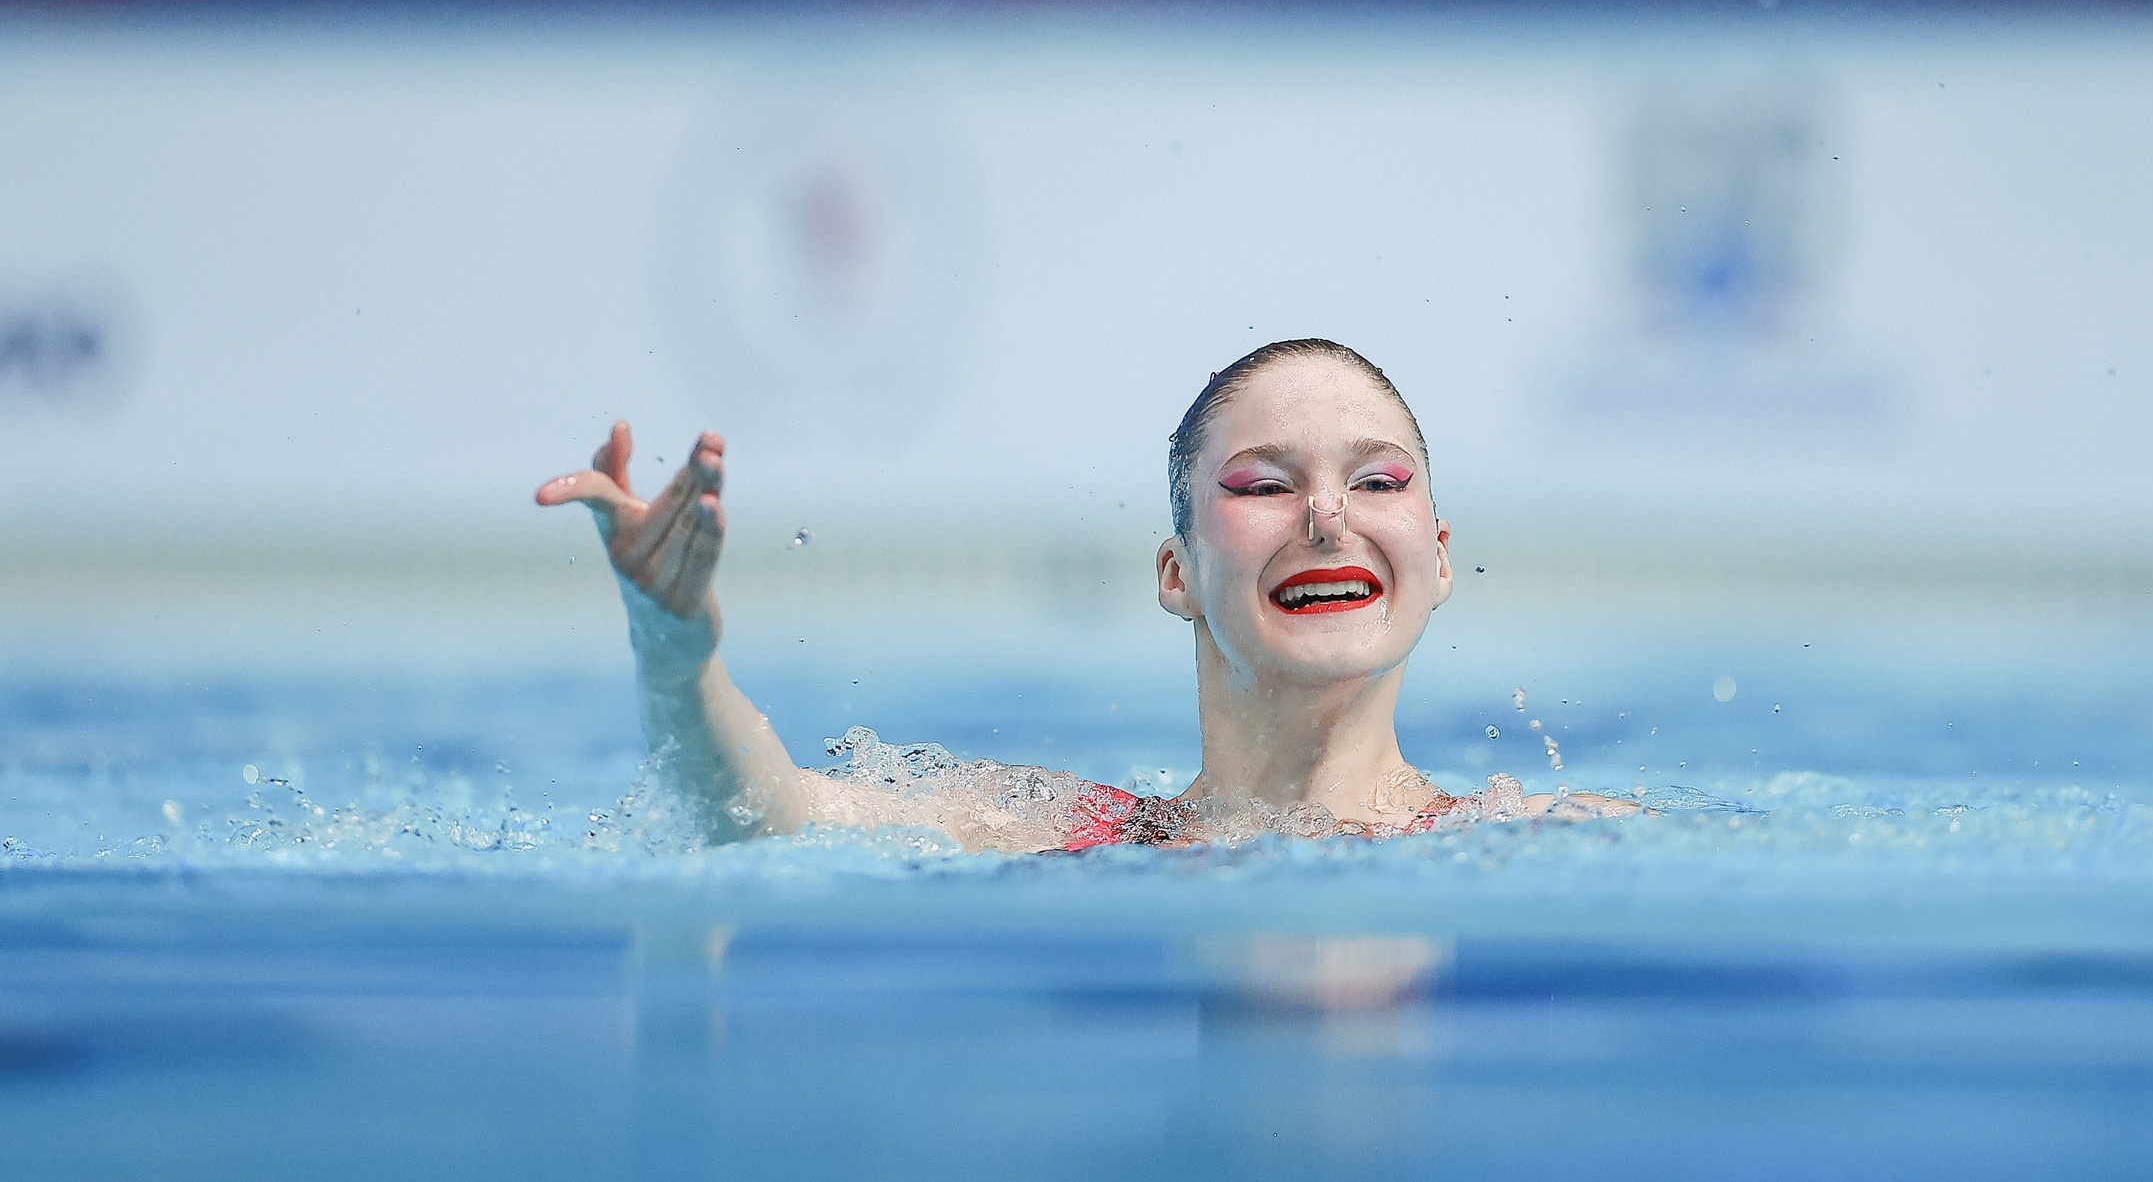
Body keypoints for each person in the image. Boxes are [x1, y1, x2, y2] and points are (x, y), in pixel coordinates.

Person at [536, 338, 1624, 851]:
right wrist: (675, 652)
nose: (1328, 516)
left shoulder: (1553, 837)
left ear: (1436, 558)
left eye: (1376, 481)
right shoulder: (1068, 833)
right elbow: (757, 818)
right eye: (1263, 484)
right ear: (1176, 574)